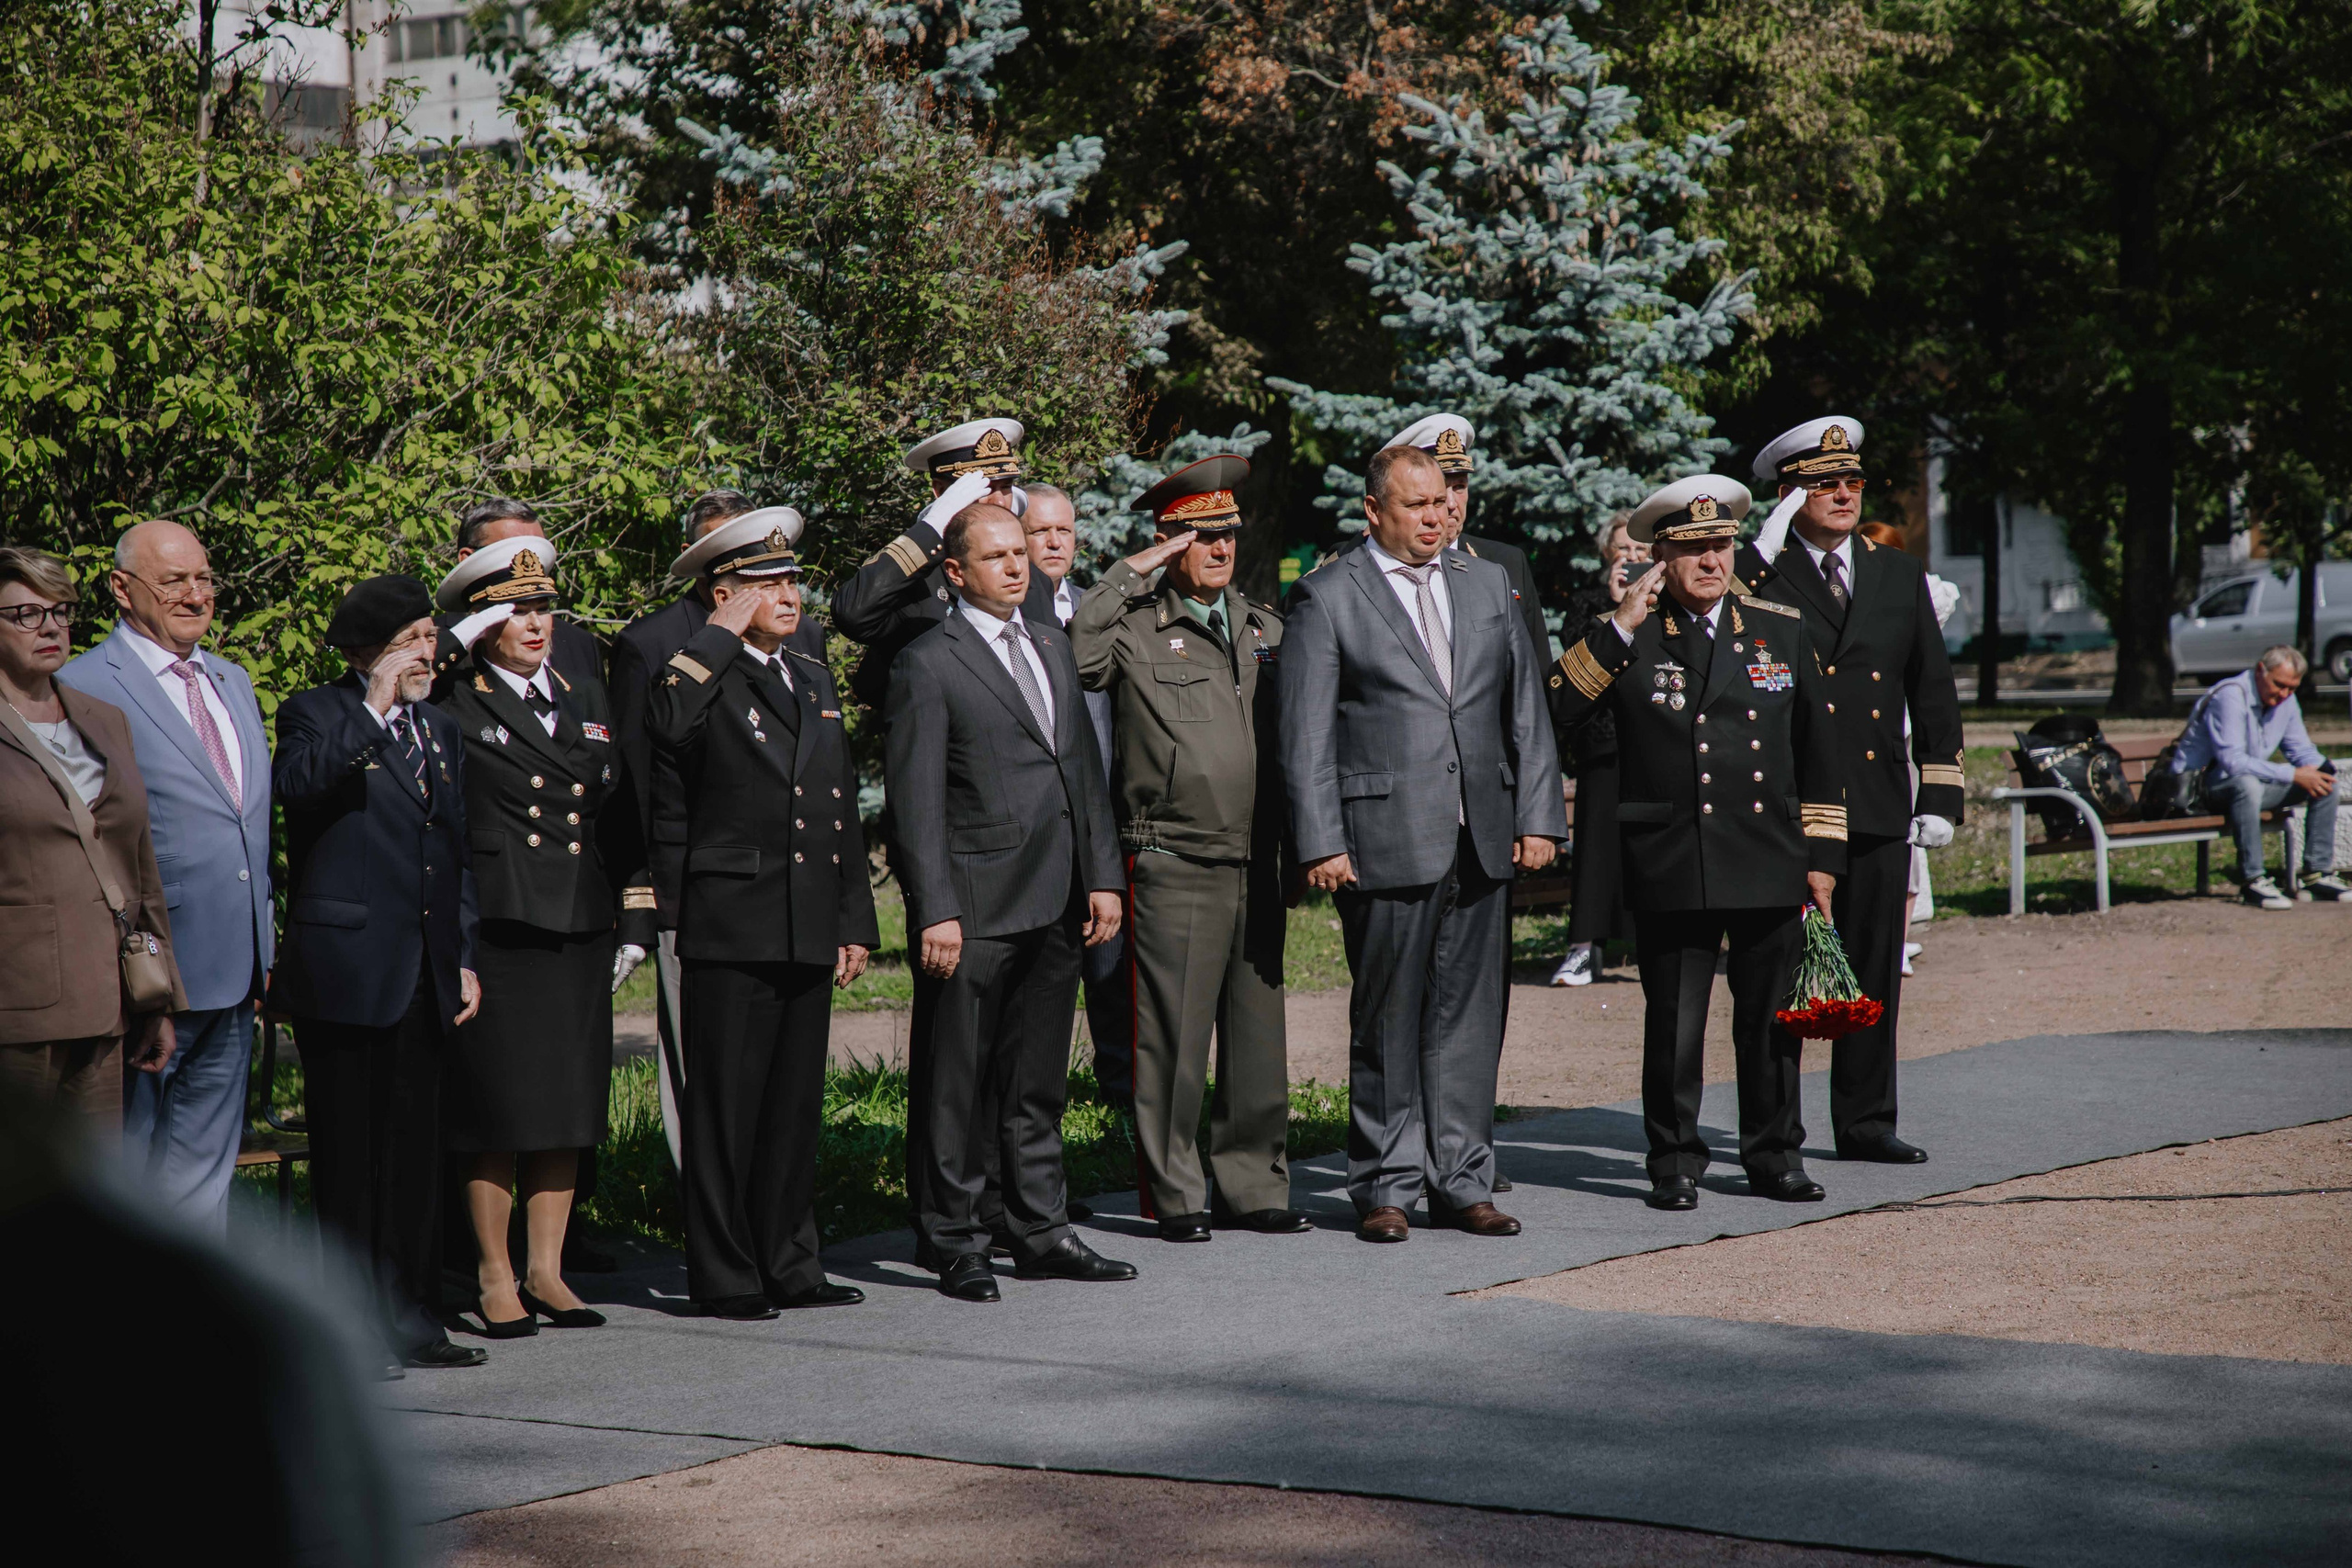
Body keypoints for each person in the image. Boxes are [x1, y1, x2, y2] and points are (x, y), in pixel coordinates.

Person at [1281, 445, 1566, 1244]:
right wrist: (1321, 841)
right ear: (1374, 511)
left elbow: (1524, 708)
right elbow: (1305, 733)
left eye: (1442, 502)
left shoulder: (1486, 584)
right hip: (1383, 837)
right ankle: (1385, 1184)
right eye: (1417, 505)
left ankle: (1462, 1179)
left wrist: (1538, 816)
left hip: (1482, 835)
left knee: (1468, 1019)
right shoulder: (1328, 595)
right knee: (1389, 1017)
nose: (1436, 517)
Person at [1545, 476, 1847, 1211]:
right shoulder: (1632, 631)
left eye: (1721, 545)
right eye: (1694, 548)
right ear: (1662, 557)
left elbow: (1818, 749)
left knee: (1771, 1023)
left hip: (1767, 851)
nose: (1712, 560)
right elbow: (1556, 707)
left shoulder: (1777, 626)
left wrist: (1823, 859)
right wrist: (1619, 625)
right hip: (1674, 855)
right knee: (1675, 1023)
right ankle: (1675, 1159)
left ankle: (1774, 1154)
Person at [885, 501, 1135, 1301]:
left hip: (1057, 896)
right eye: (996, 556)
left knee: (1036, 1081)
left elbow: (1081, 770)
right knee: (956, 1083)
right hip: (974, 905)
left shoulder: (1052, 646)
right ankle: (954, 1237)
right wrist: (934, 908)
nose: (1017, 565)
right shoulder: (929, 661)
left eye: (1020, 551)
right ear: (956, 573)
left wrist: (1102, 875)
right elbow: (915, 800)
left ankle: (1039, 1227)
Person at [649, 511, 881, 1318]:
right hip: (733, 919)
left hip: (806, 916)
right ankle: (726, 1272)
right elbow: (667, 725)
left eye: (792, 580)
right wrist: (716, 636)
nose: (789, 594)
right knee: (725, 1108)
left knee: (791, 1106)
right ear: (725, 595)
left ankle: (790, 1260)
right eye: (767, 583)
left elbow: (838, 805)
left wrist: (854, 917)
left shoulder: (809, 675)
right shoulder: (699, 669)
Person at [1072, 456, 1303, 1243]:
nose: (1221, 546)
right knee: (1171, 1041)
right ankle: (1175, 1193)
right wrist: (1129, 572)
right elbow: (1076, 657)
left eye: (1229, 532)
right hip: (1173, 855)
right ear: (1169, 542)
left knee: (1257, 1037)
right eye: (1202, 535)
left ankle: (1253, 1184)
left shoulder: (1264, 628)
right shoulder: (1135, 627)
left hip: (1255, 860)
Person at [432, 538, 655, 1336]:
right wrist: (459, 633)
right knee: (497, 1109)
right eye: (515, 610)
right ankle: (493, 1273)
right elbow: (402, 677)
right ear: (480, 621)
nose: (535, 622)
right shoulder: (452, 692)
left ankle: (546, 1270)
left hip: (579, 921)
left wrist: (635, 917)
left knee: (566, 1106)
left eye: (542, 607)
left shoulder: (581, 690)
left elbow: (620, 815)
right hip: (499, 922)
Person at [1733, 417, 1963, 1166]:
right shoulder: (1761, 570)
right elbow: (1721, 617)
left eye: (1852, 481)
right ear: (1788, 493)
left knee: (1872, 965)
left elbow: (1932, 686)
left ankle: (1866, 1120)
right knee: (1784, 973)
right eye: (1823, 482)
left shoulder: (1895, 571)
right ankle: (1777, 1134)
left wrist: (1941, 793)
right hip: (1789, 804)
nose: (1842, 493)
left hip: (1874, 797)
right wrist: (1758, 554)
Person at [271, 574, 484, 1372]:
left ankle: (413, 1318)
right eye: (411, 641)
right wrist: (373, 708)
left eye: (431, 637)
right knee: (349, 1162)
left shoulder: (442, 729)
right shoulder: (316, 712)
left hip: (426, 970)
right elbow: (297, 788)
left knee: (413, 1159)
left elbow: (457, 849)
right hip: (348, 971)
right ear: (367, 651)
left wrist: (465, 954)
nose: (429, 653)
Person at [57, 522, 270, 1229]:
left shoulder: (232, 679)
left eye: (204, 578)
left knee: (204, 1176)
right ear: (122, 589)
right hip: (146, 974)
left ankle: (189, 1300)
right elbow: (90, 843)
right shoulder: (82, 685)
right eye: (174, 580)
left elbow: (243, 824)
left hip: (236, 971)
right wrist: (133, 963)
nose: (195, 594)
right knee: (128, 1173)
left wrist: (265, 941)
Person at [609, 491, 825, 1171]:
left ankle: (772, 1224)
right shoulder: (653, 643)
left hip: (789, 895)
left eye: (787, 575)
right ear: (713, 573)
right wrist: (641, 901)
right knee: (705, 1076)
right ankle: (703, 1212)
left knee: (784, 1083)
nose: (783, 592)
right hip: (695, 891)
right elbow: (637, 782)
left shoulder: (803, 641)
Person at [0, 547, 187, 1133]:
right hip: (17, 1009)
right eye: (26, 614)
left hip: (110, 999)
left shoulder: (104, 719)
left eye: (60, 611)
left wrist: (158, 999)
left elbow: (138, 863)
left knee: (92, 1181)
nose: (50, 626)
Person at [833, 418, 1057, 710]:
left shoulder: (1033, 580)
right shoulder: (915, 577)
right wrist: (934, 525)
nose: (1000, 502)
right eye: (983, 487)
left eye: (1006, 486)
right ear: (941, 491)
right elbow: (852, 614)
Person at [2172, 645, 2346, 908]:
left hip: (2245, 787)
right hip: (2201, 792)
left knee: (2325, 785)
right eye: (2279, 684)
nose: (2284, 694)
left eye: (2292, 688)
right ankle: (2252, 881)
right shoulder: (2230, 696)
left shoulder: (2286, 700)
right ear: (2260, 671)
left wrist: (2322, 768)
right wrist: (2292, 774)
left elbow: (2299, 749)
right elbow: (2233, 762)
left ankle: (2316, 876)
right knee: (2247, 785)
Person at [1550, 512, 1646, 987]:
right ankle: (1583, 949)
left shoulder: (1666, 602)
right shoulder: (1587, 601)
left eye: (1639, 550)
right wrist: (1612, 607)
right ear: (1607, 554)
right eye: (1622, 549)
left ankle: (1654, 945)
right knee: (1594, 848)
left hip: (1652, 741)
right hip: (1603, 740)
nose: (1631, 556)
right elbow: (1573, 662)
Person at [1385, 413, 1549, 662]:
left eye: (1460, 487)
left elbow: (1536, 669)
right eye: (1440, 488)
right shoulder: (1364, 560)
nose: (1451, 503)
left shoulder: (1506, 562)